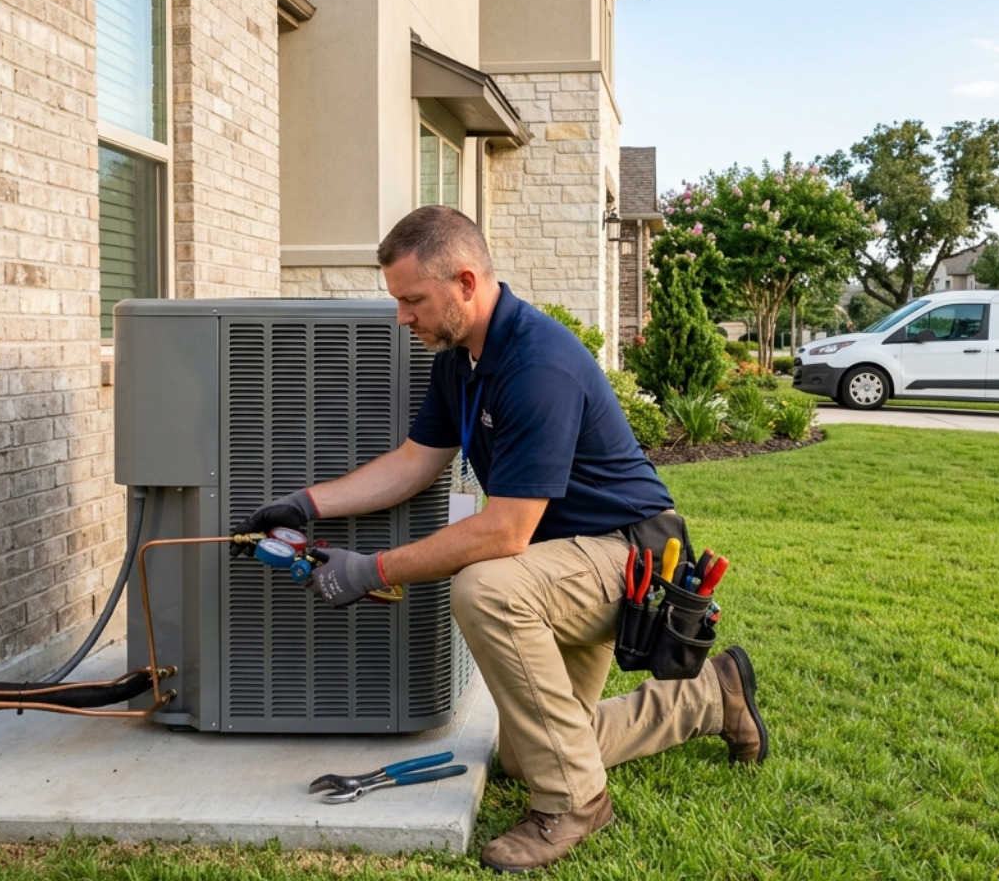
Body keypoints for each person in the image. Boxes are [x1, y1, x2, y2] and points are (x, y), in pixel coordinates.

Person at [238, 206, 767, 873]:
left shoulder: (538, 362)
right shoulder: (461, 361)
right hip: (560, 564)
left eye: (412, 300)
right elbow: (414, 462)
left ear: (465, 282)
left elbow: (506, 530)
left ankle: (576, 803)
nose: (402, 318)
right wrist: (307, 503)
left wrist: (372, 570)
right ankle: (710, 695)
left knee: (485, 587)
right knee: (526, 753)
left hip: (627, 558)